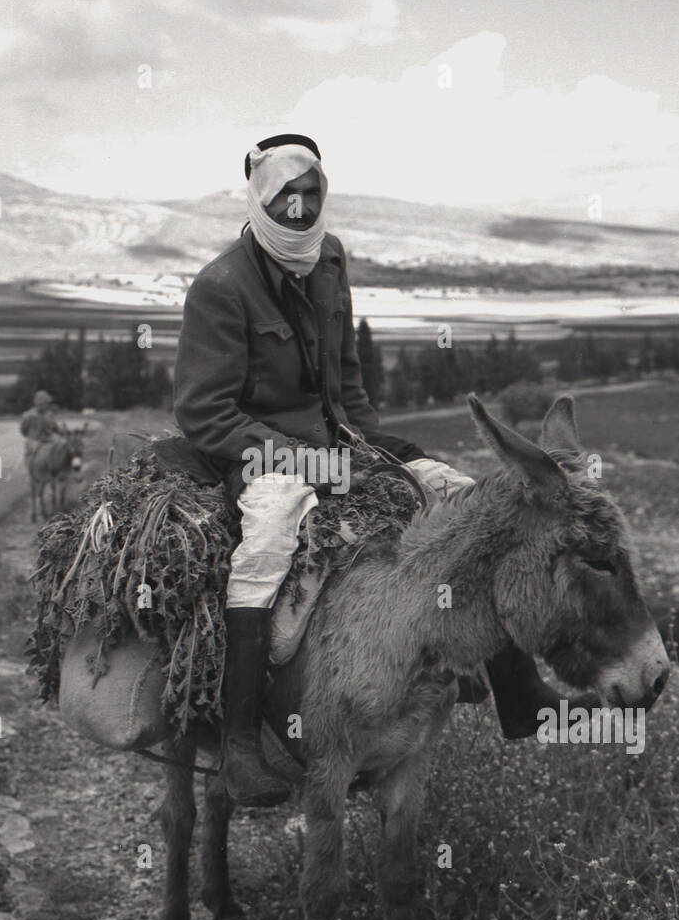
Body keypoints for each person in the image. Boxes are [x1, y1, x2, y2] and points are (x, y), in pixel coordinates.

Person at [173, 134, 571, 806]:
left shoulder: (329, 259)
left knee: (466, 501)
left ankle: (516, 686)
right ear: (259, 200)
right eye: (284, 197)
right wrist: (307, 461)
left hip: (343, 442)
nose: (299, 209)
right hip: (263, 453)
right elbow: (203, 413)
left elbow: (345, 375)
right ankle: (241, 745)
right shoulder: (221, 287)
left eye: (310, 194)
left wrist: (377, 446)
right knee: (264, 550)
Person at [19, 390, 68, 467]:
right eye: (45, 402)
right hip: (34, 440)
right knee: (37, 454)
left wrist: (62, 432)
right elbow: (23, 430)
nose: (47, 405)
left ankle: (60, 468)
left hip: (48, 438)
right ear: (39, 403)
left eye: (47, 403)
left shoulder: (49, 414)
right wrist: (31, 436)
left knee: (63, 443)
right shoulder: (28, 415)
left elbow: (55, 428)